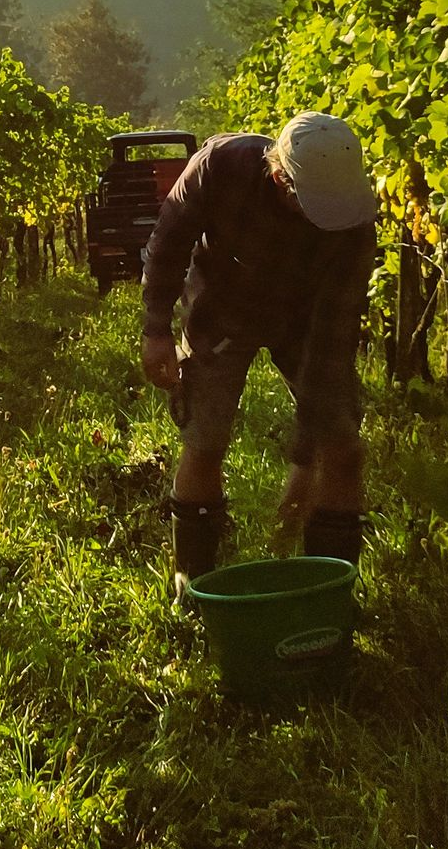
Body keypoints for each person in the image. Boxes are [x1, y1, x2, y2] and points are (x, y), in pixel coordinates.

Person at [140, 111, 378, 591]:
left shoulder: (353, 220)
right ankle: (194, 582)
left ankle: (329, 590)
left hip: (306, 321)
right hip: (222, 307)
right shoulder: (221, 165)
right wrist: (156, 329)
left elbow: (334, 334)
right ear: (280, 178)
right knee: (205, 440)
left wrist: (305, 455)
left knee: (342, 448)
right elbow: (169, 242)